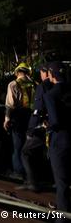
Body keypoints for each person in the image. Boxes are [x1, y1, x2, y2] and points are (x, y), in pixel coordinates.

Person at [42, 61, 70, 217]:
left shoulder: (50, 95)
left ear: (51, 75)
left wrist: (48, 125)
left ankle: (63, 218)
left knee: (62, 184)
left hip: (60, 142)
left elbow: (56, 121)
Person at [19, 64, 52, 192]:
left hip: (41, 125)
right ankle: (38, 180)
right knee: (39, 153)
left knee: (25, 152)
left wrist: (32, 128)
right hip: (51, 124)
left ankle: (32, 182)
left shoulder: (43, 86)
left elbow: (38, 109)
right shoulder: (59, 84)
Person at [4, 62, 36, 180]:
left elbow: (10, 105)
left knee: (17, 146)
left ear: (17, 72)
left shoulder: (13, 84)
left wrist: (6, 119)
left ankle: (18, 172)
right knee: (30, 146)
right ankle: (31, 173)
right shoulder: (35, 84)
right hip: (32, 118)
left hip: (18, 117)